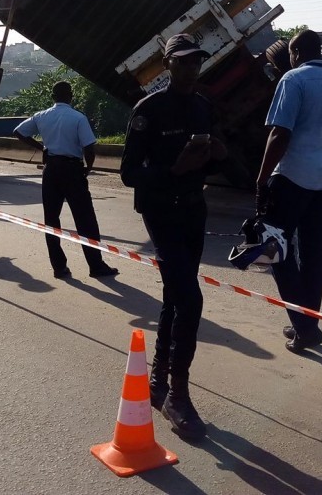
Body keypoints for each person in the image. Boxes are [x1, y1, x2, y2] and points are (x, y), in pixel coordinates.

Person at [120, 33, 227, 441]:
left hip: (193, 210)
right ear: (167, 65)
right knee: (190, 299)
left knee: (175, 296)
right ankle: (177, 397)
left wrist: (217, 156)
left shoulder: (203, 106)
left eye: (196, 61)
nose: (191, 68)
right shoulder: (149, 109)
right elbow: (129, 172)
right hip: (161, 212)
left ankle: (158, 381)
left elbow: (212, 163)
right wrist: (172, 171)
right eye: (182, 62)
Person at [256, 29, 322, 354]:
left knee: (275, 249)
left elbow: (279, 134)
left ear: (297, 53)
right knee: (313, 254)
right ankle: (306, 322)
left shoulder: (293, 79)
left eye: (291, 53)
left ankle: (304, 328)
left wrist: (261, 179)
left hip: (292, 176)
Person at [13, 81, 119, 280]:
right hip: (72, 169)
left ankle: (59, 267)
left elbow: (18, 132)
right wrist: (88, 168)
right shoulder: (78, 117)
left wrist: (42, 148)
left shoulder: (42, 116)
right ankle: (96, 265)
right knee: (85, 219)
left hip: (51, 169)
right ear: (71, 96)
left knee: (51, 219)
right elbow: (89, 148)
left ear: (53, 97)